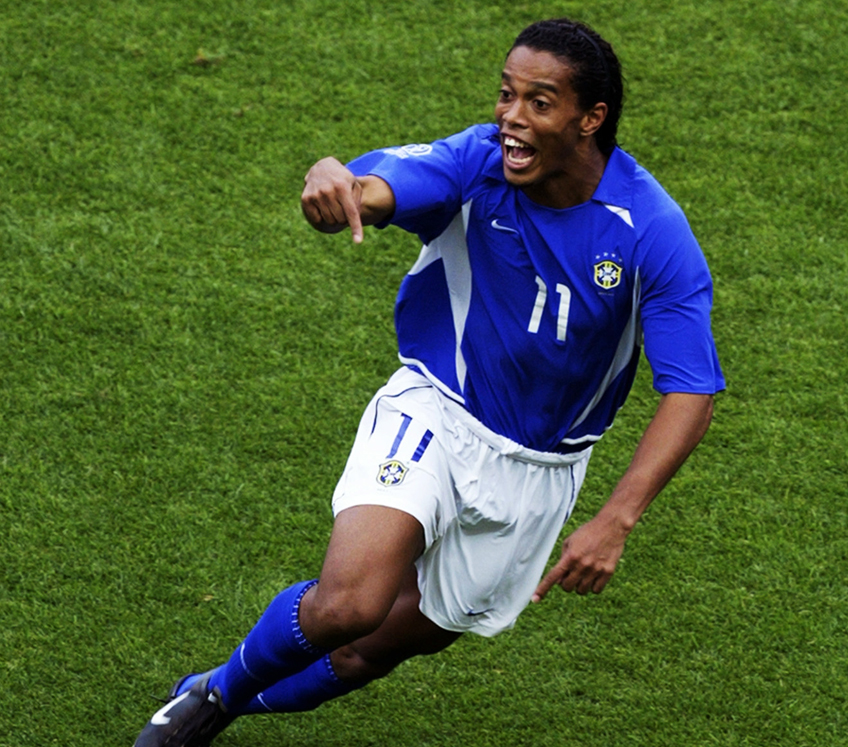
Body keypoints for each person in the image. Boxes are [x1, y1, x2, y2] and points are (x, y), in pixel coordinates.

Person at [133, 17, 724, 747]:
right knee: (350, 603)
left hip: (538, 475)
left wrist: (616, 518)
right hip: (437, 411)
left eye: (540, 102)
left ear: (590, 119)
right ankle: (205, 705)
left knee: (363, 649)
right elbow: (378, 190)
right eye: (507, 94)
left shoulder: (650, 232)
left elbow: (690, 390)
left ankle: (213, 694)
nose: (511, 116)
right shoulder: (475, 163)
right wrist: (338, 186)